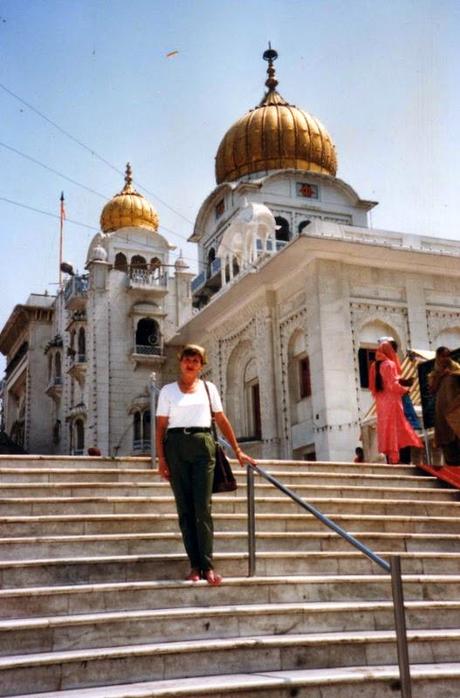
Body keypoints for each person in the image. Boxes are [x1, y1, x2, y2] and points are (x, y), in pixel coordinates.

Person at [156, 343, 256, 586]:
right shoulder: (167, 391)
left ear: (201, 365)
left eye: (196, 360)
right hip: (176, 446)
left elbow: (221, 420)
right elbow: (160, 427)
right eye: (187, 359)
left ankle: (208, 566)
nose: (190, 363)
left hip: (203, 447)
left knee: (203, 508)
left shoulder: (209, 389)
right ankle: (194, 566)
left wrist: (238, 450)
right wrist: (162, 460)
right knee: (185, 510)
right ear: (180, 362)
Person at [369, 341, 422, 464]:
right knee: (401, 429)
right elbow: (393, 385)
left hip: (381, 405)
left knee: (388, 431)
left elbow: (373, 388)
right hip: (393, 402)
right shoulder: (389, 364)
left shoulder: (373, 367)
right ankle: (403, 460)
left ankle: (392, 460)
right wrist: (406, 389)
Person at [428, 347, 460, 465]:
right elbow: (432, 389)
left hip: (456, 408)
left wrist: (452, 373)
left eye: (447, 355)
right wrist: (441, 375)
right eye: (442, 356)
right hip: (442, 409)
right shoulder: (434, 374)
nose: (445, 359)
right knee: (445, 437)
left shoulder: (456, 367)